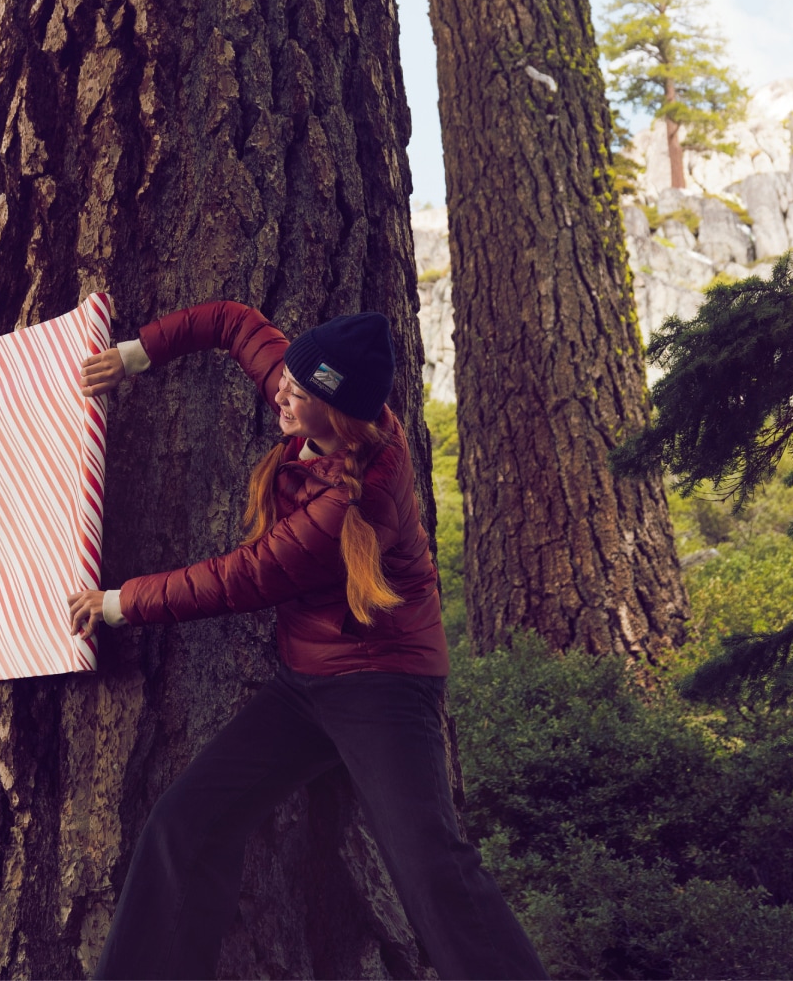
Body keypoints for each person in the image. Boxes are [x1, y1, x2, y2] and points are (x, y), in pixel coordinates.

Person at [69, 300, 546, 981]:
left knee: (428, 868)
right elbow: (233, 322)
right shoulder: (312, 390)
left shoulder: (353, 502)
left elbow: (247, 576)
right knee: (185, 825)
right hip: (306, 682)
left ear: (342, 415)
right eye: (286, 380)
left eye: (301, 391)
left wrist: (119, 602)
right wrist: (135, 354)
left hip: (383, 685)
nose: (283, 394)